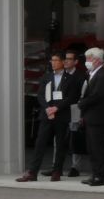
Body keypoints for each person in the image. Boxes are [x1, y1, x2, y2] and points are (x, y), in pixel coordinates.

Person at [16, 52, 76, 182]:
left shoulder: (70, 78)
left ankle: (57, 171)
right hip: (47, 115)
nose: (53, 63)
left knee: (60, 145)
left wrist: (57, 108)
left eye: (56, 60)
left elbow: (71, 97)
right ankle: (33, 172)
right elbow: (40, 95)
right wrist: (48, 108)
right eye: (52, 60)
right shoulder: (46, 77)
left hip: (61, 115)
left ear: (62, 62)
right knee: (40, 143)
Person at [77, 47, 104, 186]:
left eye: (89, 58)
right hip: (90, 116)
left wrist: (82, 103)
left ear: (97, 60)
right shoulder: (91, 74)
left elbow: (97, 95)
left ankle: (100, 176)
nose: (87, 61)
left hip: (98, 116)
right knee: (91, 148)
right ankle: (95, 173)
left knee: (98, 148)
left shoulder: (103, 74)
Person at [61, 50, 83, 176]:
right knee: (59, 137)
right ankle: (56, 166)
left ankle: (75, 167)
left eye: (69, 59)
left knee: (75, 138)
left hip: (75, 109)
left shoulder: (80, 76)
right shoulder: (60, 75)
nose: (66, 61)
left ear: (75, 62)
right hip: (61, 109)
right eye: (65, 58)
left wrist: (81, 113)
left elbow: (83, 95)